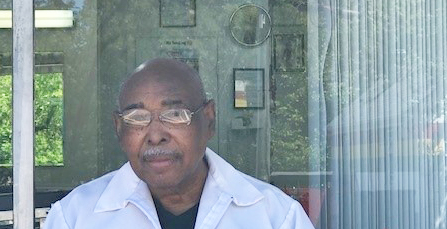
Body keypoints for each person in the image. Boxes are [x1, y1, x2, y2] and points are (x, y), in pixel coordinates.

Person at [44, 58, 314, 229]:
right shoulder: (75, 218)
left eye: (174, 115)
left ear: (208, 121)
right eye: (137, 118)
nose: (155, 134)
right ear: (119, 128)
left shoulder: (276, 217)